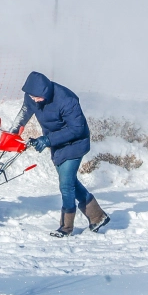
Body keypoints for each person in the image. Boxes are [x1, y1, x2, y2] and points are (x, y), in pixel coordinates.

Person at [8, 71, 110, 237]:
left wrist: (47, 140)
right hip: (56, 142)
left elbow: (76, 129)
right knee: (70, 182)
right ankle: (97, 216)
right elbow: (26, 111)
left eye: (37, 97)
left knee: (65, 185)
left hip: (75, 143)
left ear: (46, 92)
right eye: (32, 96)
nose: (34, 99)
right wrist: (12, 132)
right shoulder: (33, 96)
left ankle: (66, 228)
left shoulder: (66, 99)